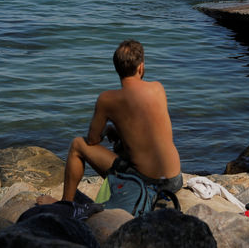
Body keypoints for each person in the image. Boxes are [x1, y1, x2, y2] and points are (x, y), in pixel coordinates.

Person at [42, 39, 182, 204]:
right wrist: (115, 131)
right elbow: (146, 132)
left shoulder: (107, 99)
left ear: (116, 69)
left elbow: (93, 140)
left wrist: (107, 129)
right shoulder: (158, 88)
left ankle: (65, 204)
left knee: (77, 145)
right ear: (141, 67)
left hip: (147, 184)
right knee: (125, 147)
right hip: (174, 180)